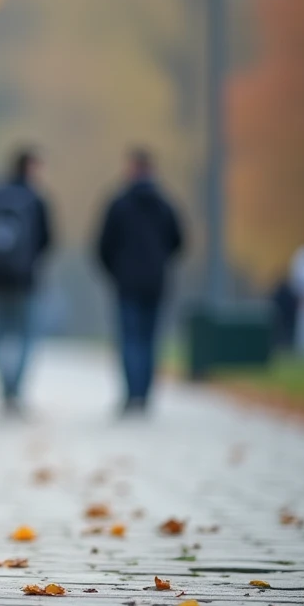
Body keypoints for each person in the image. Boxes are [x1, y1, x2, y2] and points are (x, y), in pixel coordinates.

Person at [95, 148, 184, 417]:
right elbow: (179, 241)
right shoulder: (165, 203)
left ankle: (132, 395)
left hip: (127, 282)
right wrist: (160, 264)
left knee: (130, 339)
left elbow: (102, 245)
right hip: (156, 282)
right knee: (149, 339)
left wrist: (116, 271)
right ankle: (144, 395)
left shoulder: (119, 203)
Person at [0, 147, 53, 416]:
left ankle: (4, 386)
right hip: (25, 280)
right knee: (26, 336)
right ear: (30, 168)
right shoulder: (35, 199)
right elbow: (47, 240)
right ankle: (15, 389)